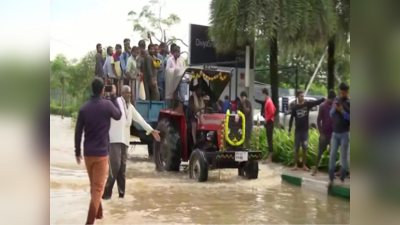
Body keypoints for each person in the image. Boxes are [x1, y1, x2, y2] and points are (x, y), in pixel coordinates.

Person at [74, 79, 121, 225]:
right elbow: (118, 115)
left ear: (92, 89)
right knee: (97, 189)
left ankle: (99, 215)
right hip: (101, 154)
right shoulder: (107, 105)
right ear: (102, 90)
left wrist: (77, 151)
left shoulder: (84, 108)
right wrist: (113, 96)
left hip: (88, 154)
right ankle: (89, 222)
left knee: (95, 187)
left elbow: (78, 131)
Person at [103, 85, 160, 200]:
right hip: (114, 140)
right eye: (126, 93)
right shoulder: (117, 102)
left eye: (130, 93)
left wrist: (151, 130)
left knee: (122, 169)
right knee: (115, 167)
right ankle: (106, 195)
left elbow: (140, 119)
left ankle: (121, 196)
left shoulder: (130, 107)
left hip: (125, 141)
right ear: (121, 93)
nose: (128, 95)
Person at [288, 90, 325, 171]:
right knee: (297, 148)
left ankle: (304, 165)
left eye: (303, 96)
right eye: (301, 96)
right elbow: (291, 119)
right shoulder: (295, 107)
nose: (303, 97)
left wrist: (322, 99)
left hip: (305, 131)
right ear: (298, 97)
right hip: (298, 131)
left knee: (305, 148)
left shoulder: (307, 104)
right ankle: (295, 165)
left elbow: (316, 102)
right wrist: (289, 130)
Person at [328, 83, 350, 187]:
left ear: (347, 91)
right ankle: (331, 179)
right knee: (332, 155)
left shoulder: (349, 103)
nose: (341, 94)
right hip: (335, 133)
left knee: (343, 156)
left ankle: (342, 179)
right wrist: (334, 109)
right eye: (340, 92)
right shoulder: (336, 100)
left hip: (345, 133)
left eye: (343, 92)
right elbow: (331, 114)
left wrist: (343, 112)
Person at [312, 90, 336, 176]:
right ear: (329, 98)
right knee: (320, 152)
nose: (332, 102)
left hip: (333, 134)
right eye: (331, 100)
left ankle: (331, 172)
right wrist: (321, 134)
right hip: (324, 134)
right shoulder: (322, 106)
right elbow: (318, 120)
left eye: (333, 100)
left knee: (332, 154)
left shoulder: (334, 106)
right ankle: (315, 169)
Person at [262, 88, 276, 163]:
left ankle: (270, 157)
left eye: (263, 94)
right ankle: (269, 156)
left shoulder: (268, 102)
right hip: (269, 122)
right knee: (269, 139)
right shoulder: (269, 101)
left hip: (269, 122)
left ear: (264, 94)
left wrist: (266, 119)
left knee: (269, 139)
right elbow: (274, 109)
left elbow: (272, 111)